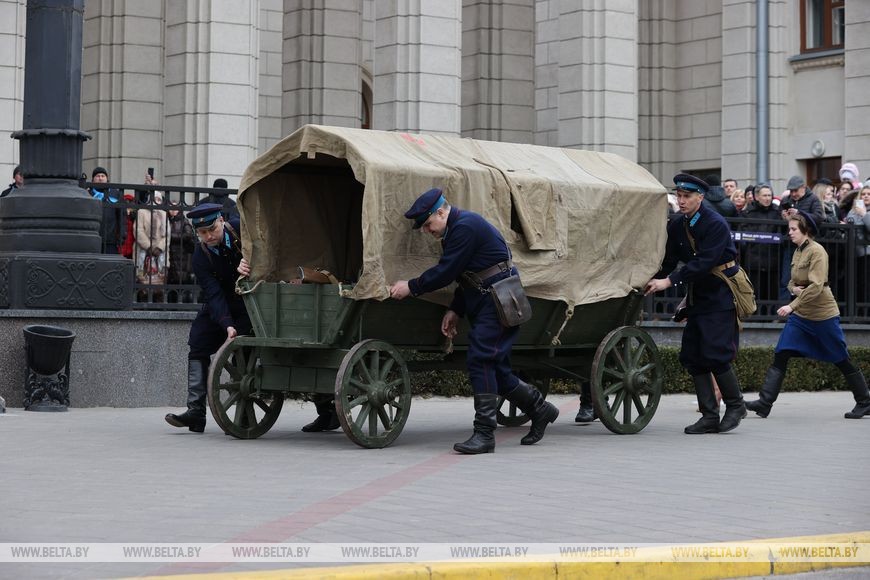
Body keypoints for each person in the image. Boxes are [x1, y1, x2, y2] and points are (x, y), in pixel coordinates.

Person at [389, 188, 558, 454]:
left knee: (481, 360)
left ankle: (484, 434)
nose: (426, 231)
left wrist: (411, 286)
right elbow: (467, 275)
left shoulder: (465, 227)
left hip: (498, 301)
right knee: (497, 370)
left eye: (428, 224)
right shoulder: (457, 228)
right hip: (490, 300)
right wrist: (455, 309)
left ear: (441, 212)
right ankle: (540, 408)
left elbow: (447, 272)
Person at [644, 174, 746, 434]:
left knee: (716, 352)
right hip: (699, 295)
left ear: (700, 197)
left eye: (687, 196)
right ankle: (709, 415)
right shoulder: (678, 225)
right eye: (679, 195)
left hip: (720, 293)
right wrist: (651, 280)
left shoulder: (715, 224)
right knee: (692, 355)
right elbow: (669, 260)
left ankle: (735, 406)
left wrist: (669, 282)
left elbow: (705, 263)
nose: (681, 200)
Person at [745, 211, 870, 419]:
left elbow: (817, 286)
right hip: (802, 315)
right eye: (789, 229)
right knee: (782, 352)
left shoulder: (817, 251)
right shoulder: (798, 251)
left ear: (806, 230)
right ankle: (764, 402)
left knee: (840, 357)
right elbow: (792, 282)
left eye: (793, 229)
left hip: (822, 315)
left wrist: (791, 306)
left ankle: (865, 400)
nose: (790, 233)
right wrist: (794, 290)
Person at [165, 202, 251, 433]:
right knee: (199, 341)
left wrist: (253, 263)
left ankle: (244, 415)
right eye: (201, 232)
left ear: (221, 220)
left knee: (243, 350)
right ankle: (196, 412)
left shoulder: (241, 230)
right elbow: (213, 294)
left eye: (211, 229)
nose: (208, 236)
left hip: (252, 303)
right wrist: (226, 325)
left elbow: (270, 254)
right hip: (223, 303)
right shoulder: (200, 256)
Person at [740, 184, 780, 304]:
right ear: (757, 197)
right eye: (765, 195)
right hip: (753, 260)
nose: (768, 198)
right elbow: (743, 233)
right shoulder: (747, 213)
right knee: (754, 293)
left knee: (771, 294)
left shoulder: (777, 212)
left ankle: (769, 318)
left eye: (769, 195)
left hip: (772, 260)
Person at [89, 166, 126, 254]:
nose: (100, 178)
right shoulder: (88, 193)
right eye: (97, 176)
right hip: (91, 237)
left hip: (110, 239)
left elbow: (122, 216)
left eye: (103, 176)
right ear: (93, 179)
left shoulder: (115, 193)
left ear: (107, 178)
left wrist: (122, 235)